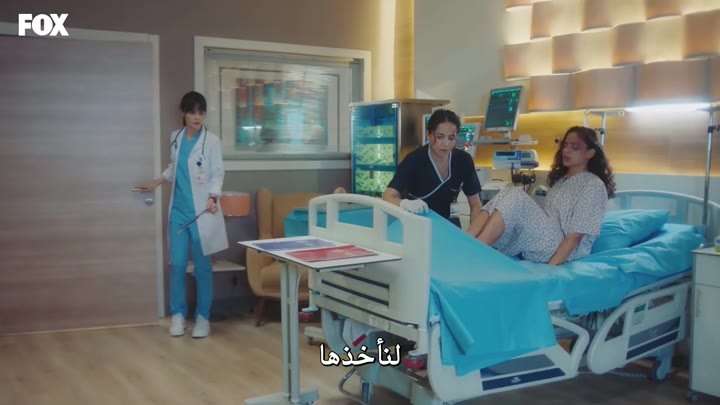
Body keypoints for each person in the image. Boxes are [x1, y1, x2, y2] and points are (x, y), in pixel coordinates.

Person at [134, 91, 228, 338]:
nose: (197, 117)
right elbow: (175, 166)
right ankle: (178, 315)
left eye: (201, 112)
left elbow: (218, 173)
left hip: (202, 212)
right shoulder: (175, 137)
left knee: (202, 267)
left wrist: (213, 196)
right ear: (183, 113)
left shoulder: (212, 141)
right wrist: (156, 182)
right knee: (176, 264)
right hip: (178, 212)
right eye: (192, 112)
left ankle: (203, 317)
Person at [473, 126, 615, 265]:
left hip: (563, 250)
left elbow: (576, 236)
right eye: (565, 145)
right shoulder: (560, 181)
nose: (566, 150)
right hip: (546, 240)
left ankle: (475, 252)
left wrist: (550, 270)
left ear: (590, 153)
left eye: (575, 147)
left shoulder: (593, 185)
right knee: (505, 194)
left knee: (516, 195)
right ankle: (468, 243)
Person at [382, 109, 484, 233]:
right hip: (416, 223)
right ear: (429, 135)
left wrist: (473, 237)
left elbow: (476, 205)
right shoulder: (414, 160)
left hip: (447, 223)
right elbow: (388, 197)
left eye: (451, 138)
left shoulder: (463, 160)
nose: (446, 143)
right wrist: (405, 203)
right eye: (440, 137)